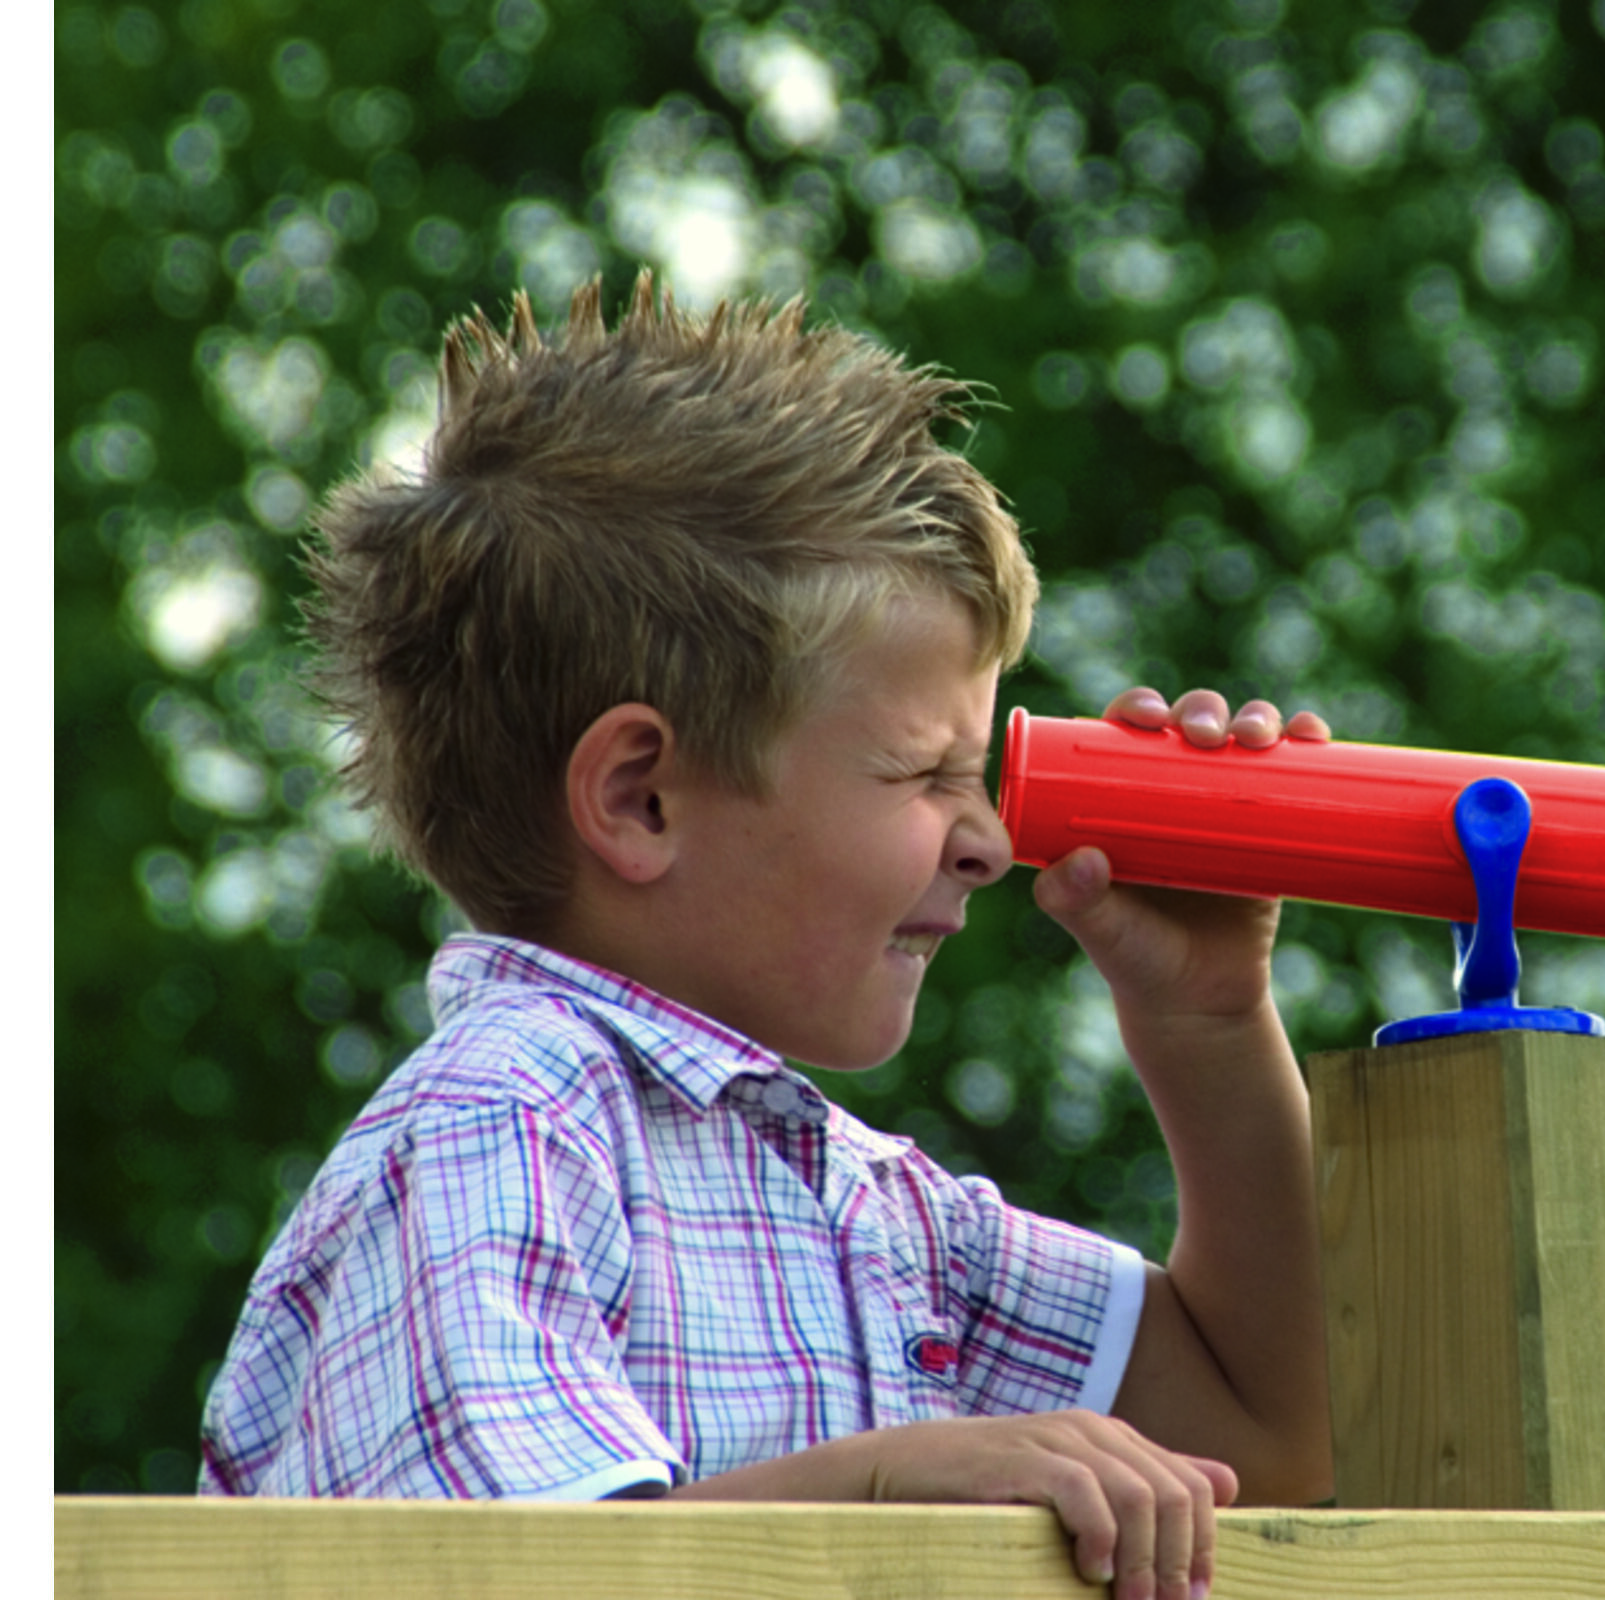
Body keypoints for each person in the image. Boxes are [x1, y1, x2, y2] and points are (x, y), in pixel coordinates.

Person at [198, 274, 1334, 1600]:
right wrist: (887, 1485)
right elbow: (510, 1581)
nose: (990, 842)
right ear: (643, 797)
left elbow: (1272, 1426)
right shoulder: (498, 1123)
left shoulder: (873, 1208)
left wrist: (1205, 1022)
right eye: (925, 775)